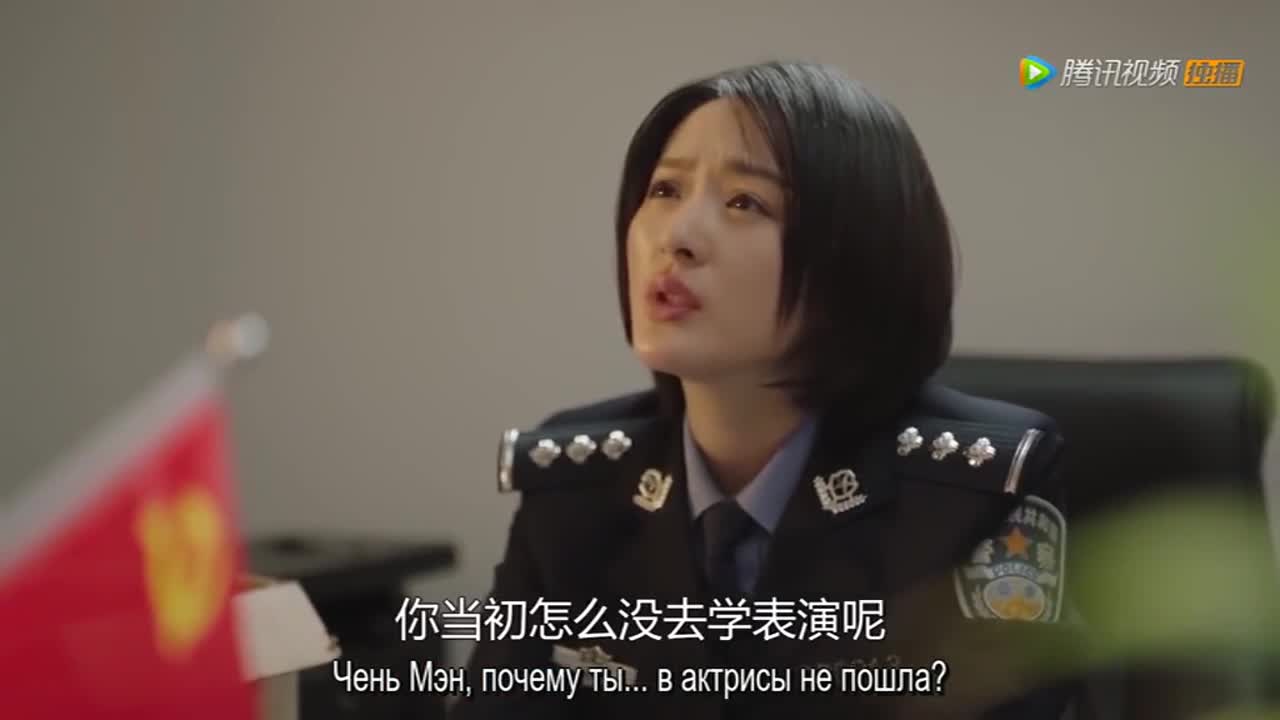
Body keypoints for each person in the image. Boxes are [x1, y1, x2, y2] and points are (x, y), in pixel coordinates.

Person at [450, 61, 1083, 719]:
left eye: (745, 202)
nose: (676, 236)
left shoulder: (972, 494)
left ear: (854, 258)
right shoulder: (575, 491)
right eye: (664, 190)